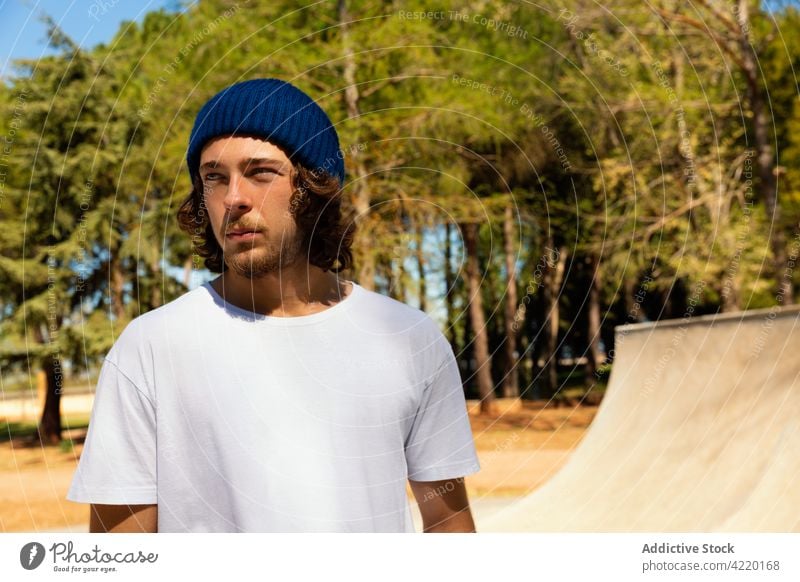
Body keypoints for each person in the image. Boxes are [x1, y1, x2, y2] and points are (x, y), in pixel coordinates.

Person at [66, 78, 481, 533]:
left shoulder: (409, 339)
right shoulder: (151, 347)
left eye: (261, 172)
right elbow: (119, 548)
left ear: (313, 186)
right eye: (214, 178)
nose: (234, 198)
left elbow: (448, 523)